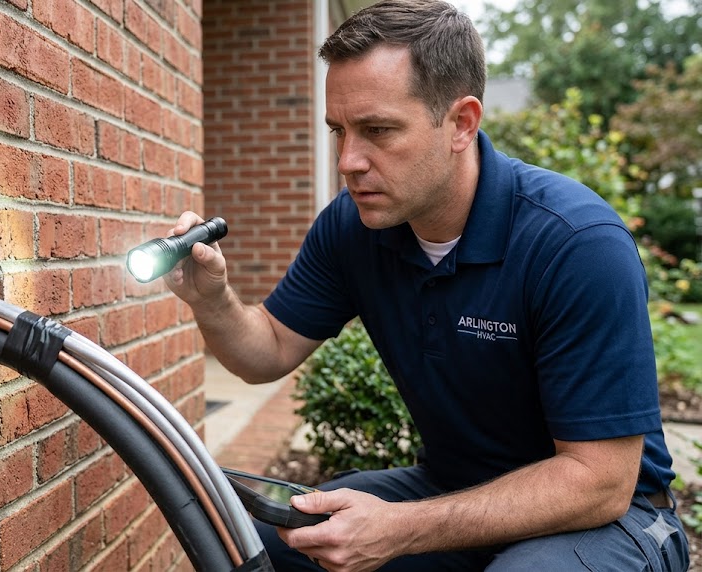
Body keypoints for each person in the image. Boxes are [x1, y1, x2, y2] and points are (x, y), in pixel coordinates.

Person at [162, 0, 690, 570]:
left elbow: (599, 483)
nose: (348, 161)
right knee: (278, 544)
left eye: (377, 130)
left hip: (616, 518)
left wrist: (400, 529)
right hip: (453, 487)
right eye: (339, 131)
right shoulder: (353, 227)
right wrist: (212, 298)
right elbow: (264, 352)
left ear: (461, 123)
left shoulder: (575, 242)